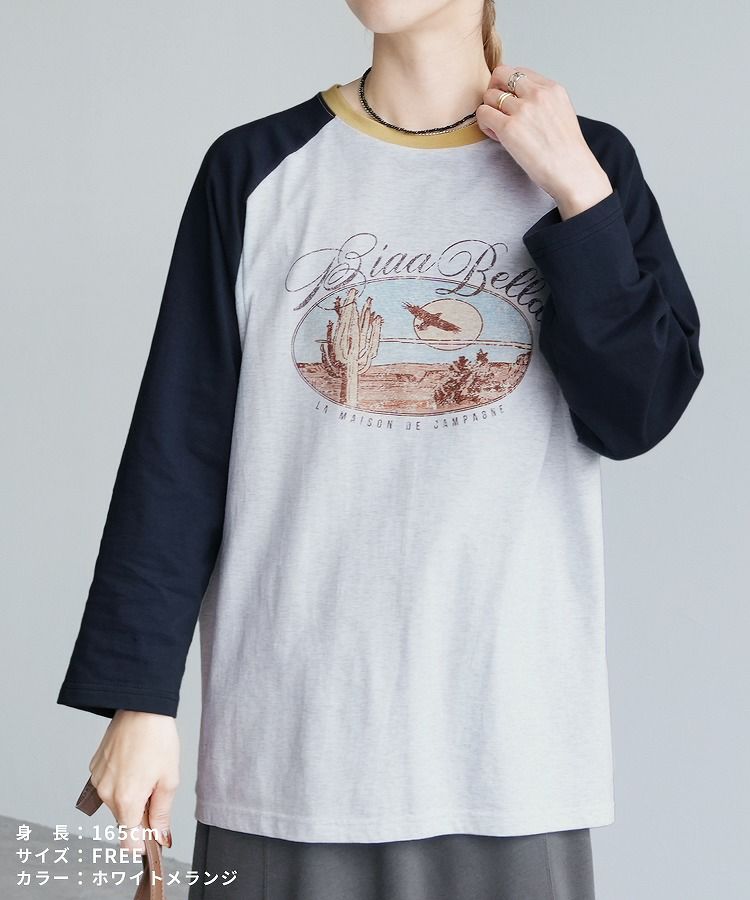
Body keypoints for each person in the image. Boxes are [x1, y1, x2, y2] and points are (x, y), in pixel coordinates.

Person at [56, 0, 704, 897]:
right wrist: (140, 698)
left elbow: (639, 412)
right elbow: (178, 451)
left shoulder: (589, 163)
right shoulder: (253, 169)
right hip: (288, 755)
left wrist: (579, 195)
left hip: (509, 757)